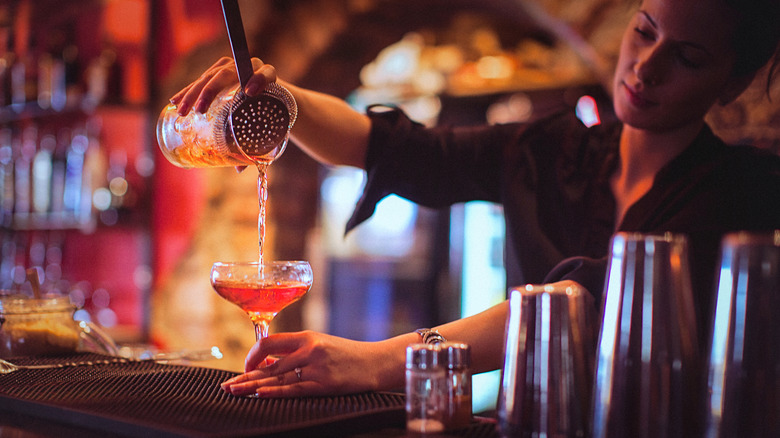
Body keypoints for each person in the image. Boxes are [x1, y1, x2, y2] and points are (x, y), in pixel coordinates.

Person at [169, 0, 780, 398]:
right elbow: (391, 147)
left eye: (687, 58)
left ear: (733, 82)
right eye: (644, 32)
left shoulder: (743, 192)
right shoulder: (555, 147)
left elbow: (588, 303)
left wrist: (380, 361)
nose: (646, 67)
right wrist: (277, 94)